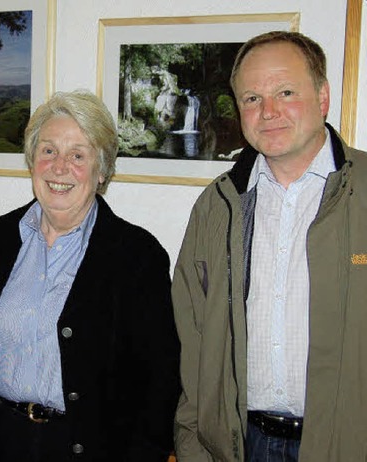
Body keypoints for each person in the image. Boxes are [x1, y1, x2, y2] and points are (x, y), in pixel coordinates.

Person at [0, 90, 180, 462]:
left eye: (78, 155)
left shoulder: (138, 256)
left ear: (101, 171)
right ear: (32, 160)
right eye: (48, 150)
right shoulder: (1, 239)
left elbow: (160, 384)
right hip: (5, 444)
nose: (59, 167)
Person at [172, 30, 367, 462]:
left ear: (323, 97)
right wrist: (193, 444)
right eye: (252, 98)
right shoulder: (215, 206)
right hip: (239, 445)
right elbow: (192, 341)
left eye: (285, 91)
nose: (269, 111)